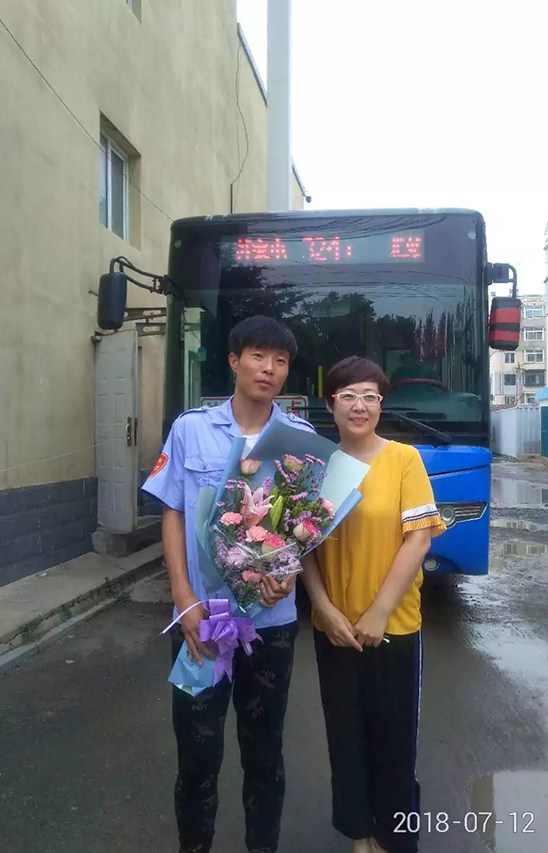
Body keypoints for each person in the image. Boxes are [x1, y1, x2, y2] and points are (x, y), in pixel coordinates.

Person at [142, 315, 314, 853]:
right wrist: (183, 597)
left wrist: (287, 573)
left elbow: (306, 526)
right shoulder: (190, 429)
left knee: (265, 754)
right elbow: (172, 511)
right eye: (258, 356)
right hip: (201, 623)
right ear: (234, 361)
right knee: (196, 760)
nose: (269, 369)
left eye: (280, 360)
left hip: (271, 626)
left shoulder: (301, 439)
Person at [302, 356, 446, 853]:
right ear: (331, 405)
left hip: (393, 627)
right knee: (345, 738)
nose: (359, 406)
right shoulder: (317, 466)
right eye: (348, 396)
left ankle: (394, 838)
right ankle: (360, 835)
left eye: (369, 396)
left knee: (394, 742)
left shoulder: (404, 459)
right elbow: (302, 545)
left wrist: (380, 611)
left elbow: (419, 538)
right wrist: (322, 608)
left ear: (381, 404)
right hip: (334, 629)